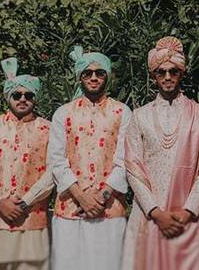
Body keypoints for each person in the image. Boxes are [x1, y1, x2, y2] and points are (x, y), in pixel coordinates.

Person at [122, 36, 199, 270]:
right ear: (153, 76)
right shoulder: (140, 116)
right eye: (161, 72)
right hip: (150, 216)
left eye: (173, 71)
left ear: (182, 73)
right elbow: (133, 168)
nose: (167, 77)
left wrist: (188, 211)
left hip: (189, 217)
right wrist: (155, 212)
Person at [48, 46, 132, 270]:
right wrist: (82, 197)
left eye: (99, 72)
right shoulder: (63, 113)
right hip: (69, 208)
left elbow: (126, 160)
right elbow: (56, 160)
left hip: (109, 209)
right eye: (88, 73)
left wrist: (101, 197)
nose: (94, 77)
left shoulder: (123, 112)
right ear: (80, 77)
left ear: (107, 76)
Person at [0, 58, 54, 270]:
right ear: (9, 97)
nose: (23, 99)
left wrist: (25, 202)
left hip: (31, 217)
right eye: (17, 95)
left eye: (29, 95)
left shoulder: (49, 129)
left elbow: (53, 172)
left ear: (36, 98)